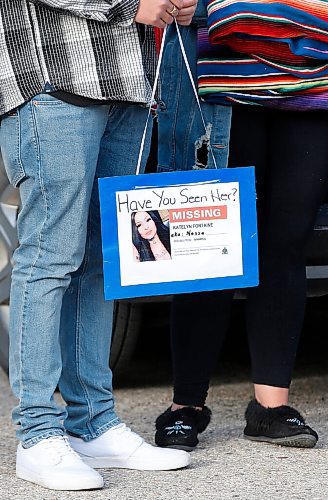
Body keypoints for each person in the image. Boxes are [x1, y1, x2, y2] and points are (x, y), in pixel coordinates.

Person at [0, 0, 198, 491]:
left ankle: (93, 423)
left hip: (130, 86)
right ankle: (37, 434)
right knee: (49, 258)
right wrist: (135, 5)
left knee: (98, 262)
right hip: (51, 80)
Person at [154, 0, 328, 451]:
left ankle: (270, 408)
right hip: (218, 84)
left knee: (286, 245)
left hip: (316, 83)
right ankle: (186, 405)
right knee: (210, 245)